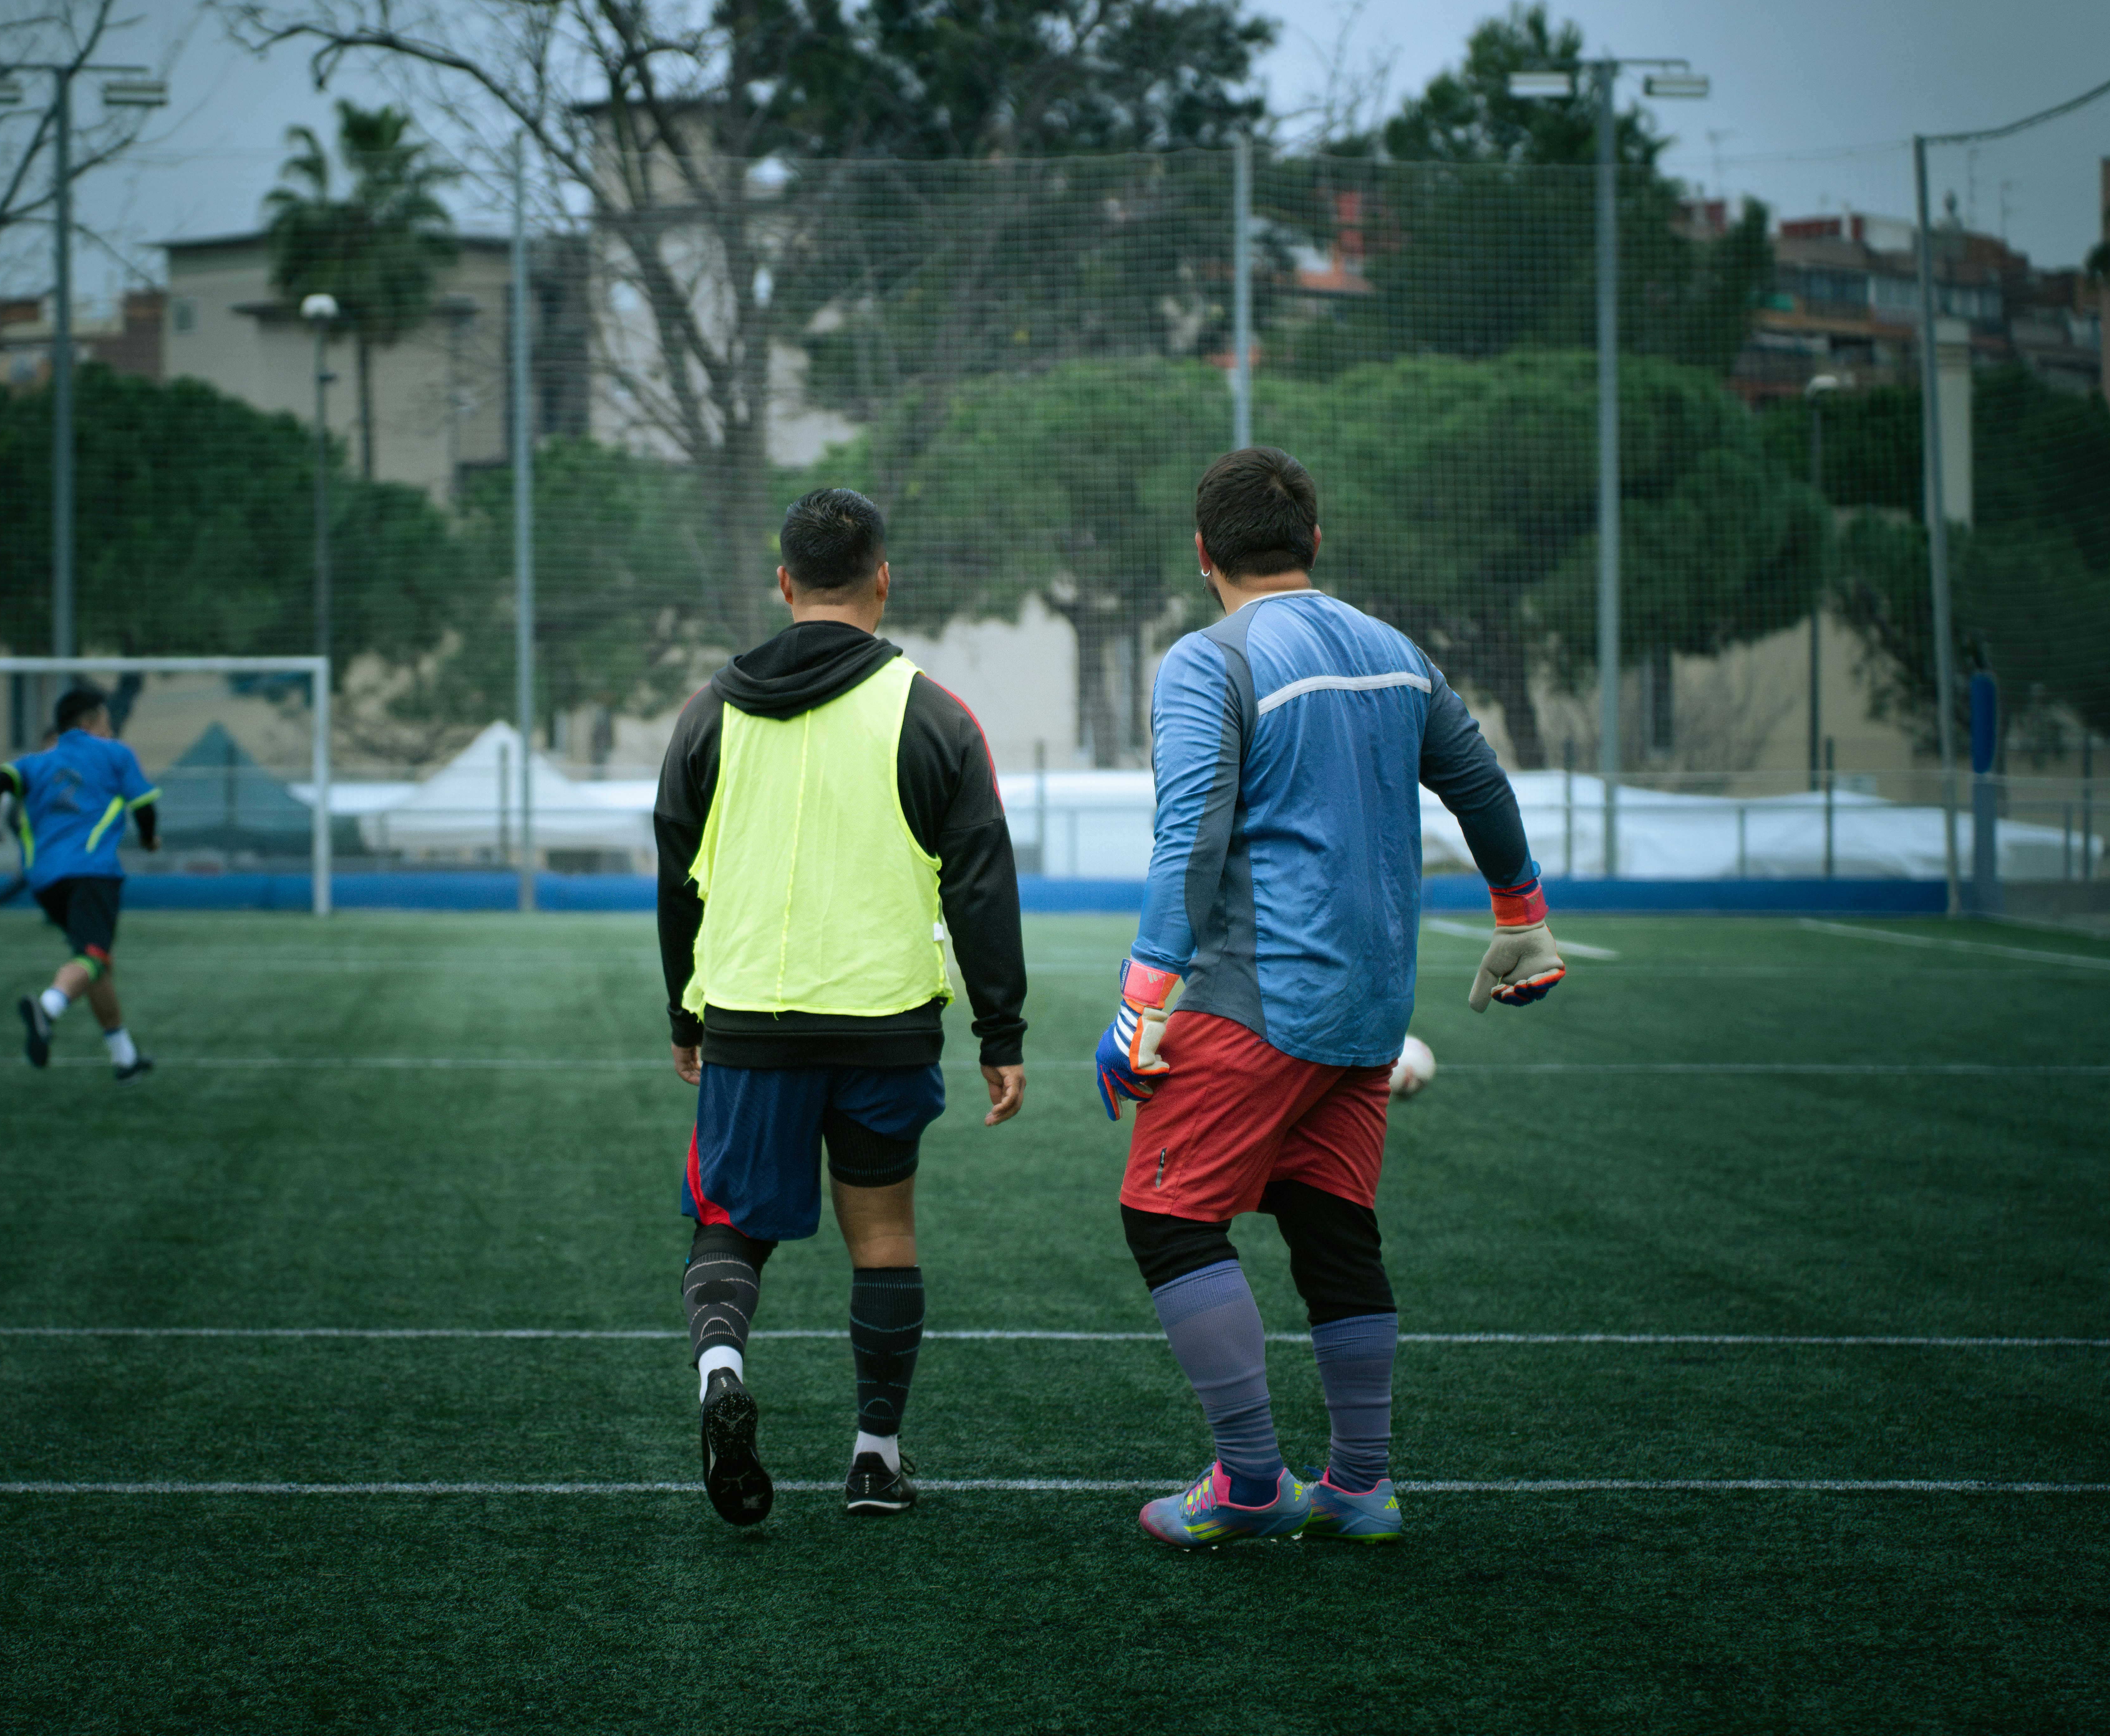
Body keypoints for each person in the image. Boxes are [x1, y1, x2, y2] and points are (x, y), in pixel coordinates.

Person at [1097, 448, 1564, 1549]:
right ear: (1314, 545)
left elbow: (1191, 830)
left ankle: (1251, 1480)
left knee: (1164, 1216)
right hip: (1365, 1011)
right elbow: (1481, 786)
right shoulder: (1398, 654)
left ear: (1203, 554)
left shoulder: (1208, 659)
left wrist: (1142, 994)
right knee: (1330, 1224)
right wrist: (1522, 916)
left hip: (1248, 998)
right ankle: (1359, 1484)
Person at [655, 487, 1029, 1526]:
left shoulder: (706, 712)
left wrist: (685, 1018)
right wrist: (1001, 1031)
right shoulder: (935, 712)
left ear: (783, 583)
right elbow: (982, 884)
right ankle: (874, 1455)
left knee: (727, 1226)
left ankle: (721, 1371)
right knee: (884, 1233)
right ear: (882, 578)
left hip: (748, 1020)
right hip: (884, 1023)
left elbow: (674, 874)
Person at [0, 686, 158, 1084]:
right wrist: (149, 839)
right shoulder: (115, 754)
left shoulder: (38, 763)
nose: (111, 728)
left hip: (45, 882)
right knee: (93, 955)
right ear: (88, 723)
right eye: (106, 720)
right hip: (93, 874)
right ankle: (48, 1009)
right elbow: (145, 807)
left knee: (95, 963)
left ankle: (125, 1059)